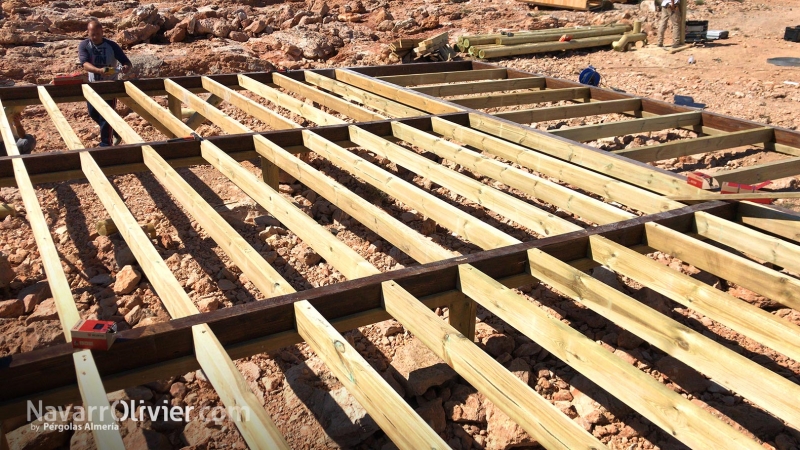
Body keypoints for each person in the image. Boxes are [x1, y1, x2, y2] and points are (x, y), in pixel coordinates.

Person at [79, 19, 132, 147]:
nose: (95, 37)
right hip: (93, 85)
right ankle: (113, 131)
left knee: (105, 116)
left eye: (98, 34)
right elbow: (85, 64)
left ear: (102, 32)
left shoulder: (112, 46)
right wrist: (98, 70)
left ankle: (105, 145)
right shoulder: (85, 45)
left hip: (110, 86)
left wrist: (125, 67)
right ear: (88, 33)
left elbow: (127, 62)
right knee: (93, 113)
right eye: (93, 35)